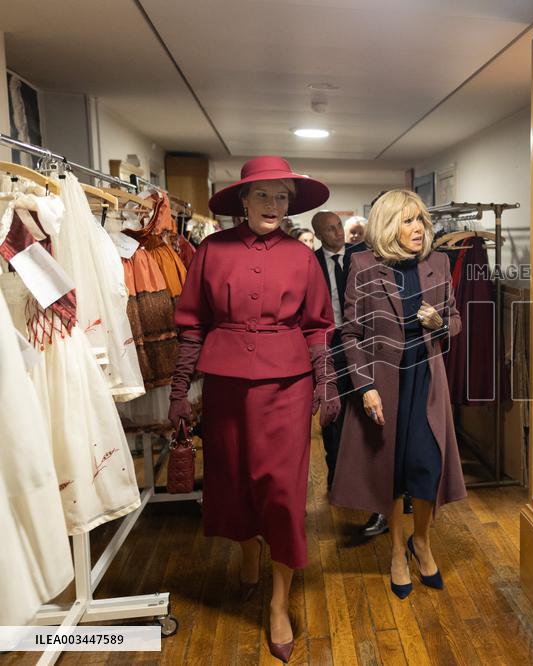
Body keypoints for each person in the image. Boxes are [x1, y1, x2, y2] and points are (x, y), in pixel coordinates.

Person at [169, 156, 339, 663]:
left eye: (282, 197)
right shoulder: (212, 249)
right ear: (242, 200)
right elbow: (192, 323)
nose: (273, 205)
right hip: (224, 385)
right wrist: (180, 390)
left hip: (287, 385)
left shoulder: (302, 257)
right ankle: (248, 551)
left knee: (283, 491)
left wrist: (326, 385)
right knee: (233, 480)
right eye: (263, 195)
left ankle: (280, 601)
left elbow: (318, 326)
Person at [330, 189, 467, 599]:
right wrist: (365, 387)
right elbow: (350, 333)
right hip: (384, 381)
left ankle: (420, 541)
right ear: (389, 225)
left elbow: (456, 320)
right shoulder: (362, 264)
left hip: (426, 378)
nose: (418, 228)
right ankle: (395, 551)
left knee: (427, 463)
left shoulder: (438, 262)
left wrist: (441, 323)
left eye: (421, 219)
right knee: (390, 468)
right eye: (408, 220)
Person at [310, 210, 387, 537]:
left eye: (338, 226)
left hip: (364, 346)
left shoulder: (363, 256)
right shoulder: (311, 263)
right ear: (318, 234)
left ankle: (371, 481)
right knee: (333, 414)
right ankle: (336, 475)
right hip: (329, 347)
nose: (337, 232)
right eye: (329, 229)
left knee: (367, 411)